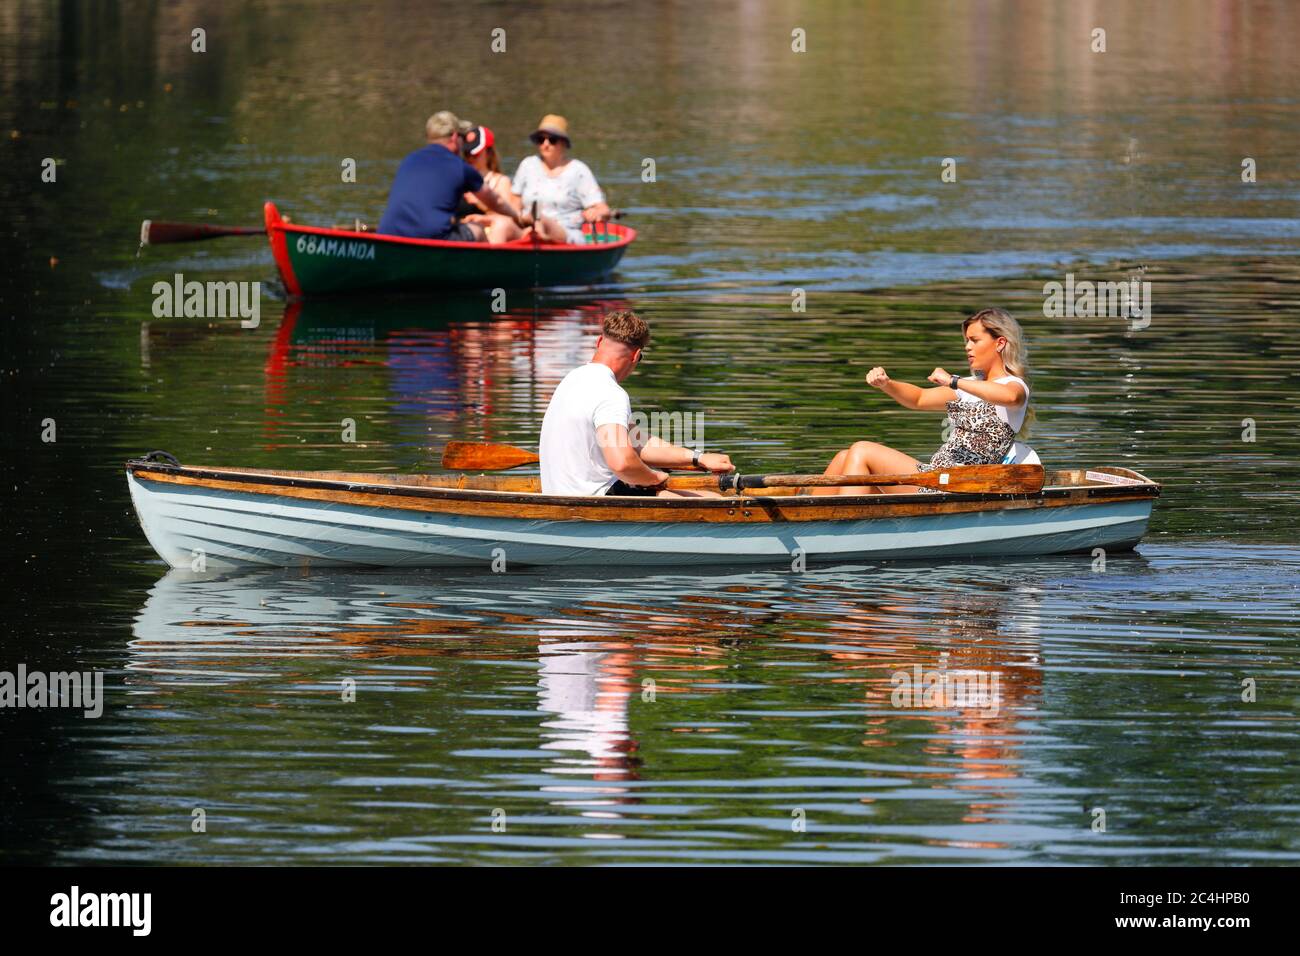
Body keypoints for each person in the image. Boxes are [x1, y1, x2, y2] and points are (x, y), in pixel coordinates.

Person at [812, 308, 1033, 495]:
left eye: (974, 340)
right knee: (844, 457)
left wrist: (953, 381)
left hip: (959, 487)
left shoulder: (1015, 385)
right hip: (935, 476)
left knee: (862, 449)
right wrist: (887, 384)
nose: (967, 347)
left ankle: (846, 526)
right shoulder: (967, 385)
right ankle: (806, 516)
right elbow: (918, 398)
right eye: (966, 341)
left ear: (1000, 343)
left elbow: (1010, 397)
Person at [539, 310, 734, 497]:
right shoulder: (611, 393)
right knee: (714, 499)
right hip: (597, 498)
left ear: (599, 342)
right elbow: (622, 463)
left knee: (702, 495)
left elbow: (638, 442)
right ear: (635, 355)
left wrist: (698, 458)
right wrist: (653, 477)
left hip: (560, 495)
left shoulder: (571, 380)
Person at [377, 110, 530, 241]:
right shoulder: (459, 167)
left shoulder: (409, 160)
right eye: (462, 138)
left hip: (388, 234)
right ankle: (486, 272)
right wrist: (517, 217)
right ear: (454, 138)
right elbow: (495, 200)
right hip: (433, 237)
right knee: (476, 230)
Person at [512, 114, 611, 245]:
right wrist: (519, 217)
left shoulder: (578, 170)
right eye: (541, 139)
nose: (546, 144)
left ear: (563, 143)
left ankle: (537, 244)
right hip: (526, 227)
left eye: (552, 140)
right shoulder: (528, 165)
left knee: (540, 220)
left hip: (566, 232)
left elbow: (603, 210)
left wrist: (595, 213)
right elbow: (514, 200)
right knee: (503, 225)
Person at [455, 124, 526, 244]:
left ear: (488, 153)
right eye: (467, 154)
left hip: (493, 234)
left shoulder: (501, 181)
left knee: (501, 225)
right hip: (466, 234)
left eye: (475, 154)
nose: (470, 158)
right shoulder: (459, 179)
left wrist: (482, 204)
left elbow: (512, 218)